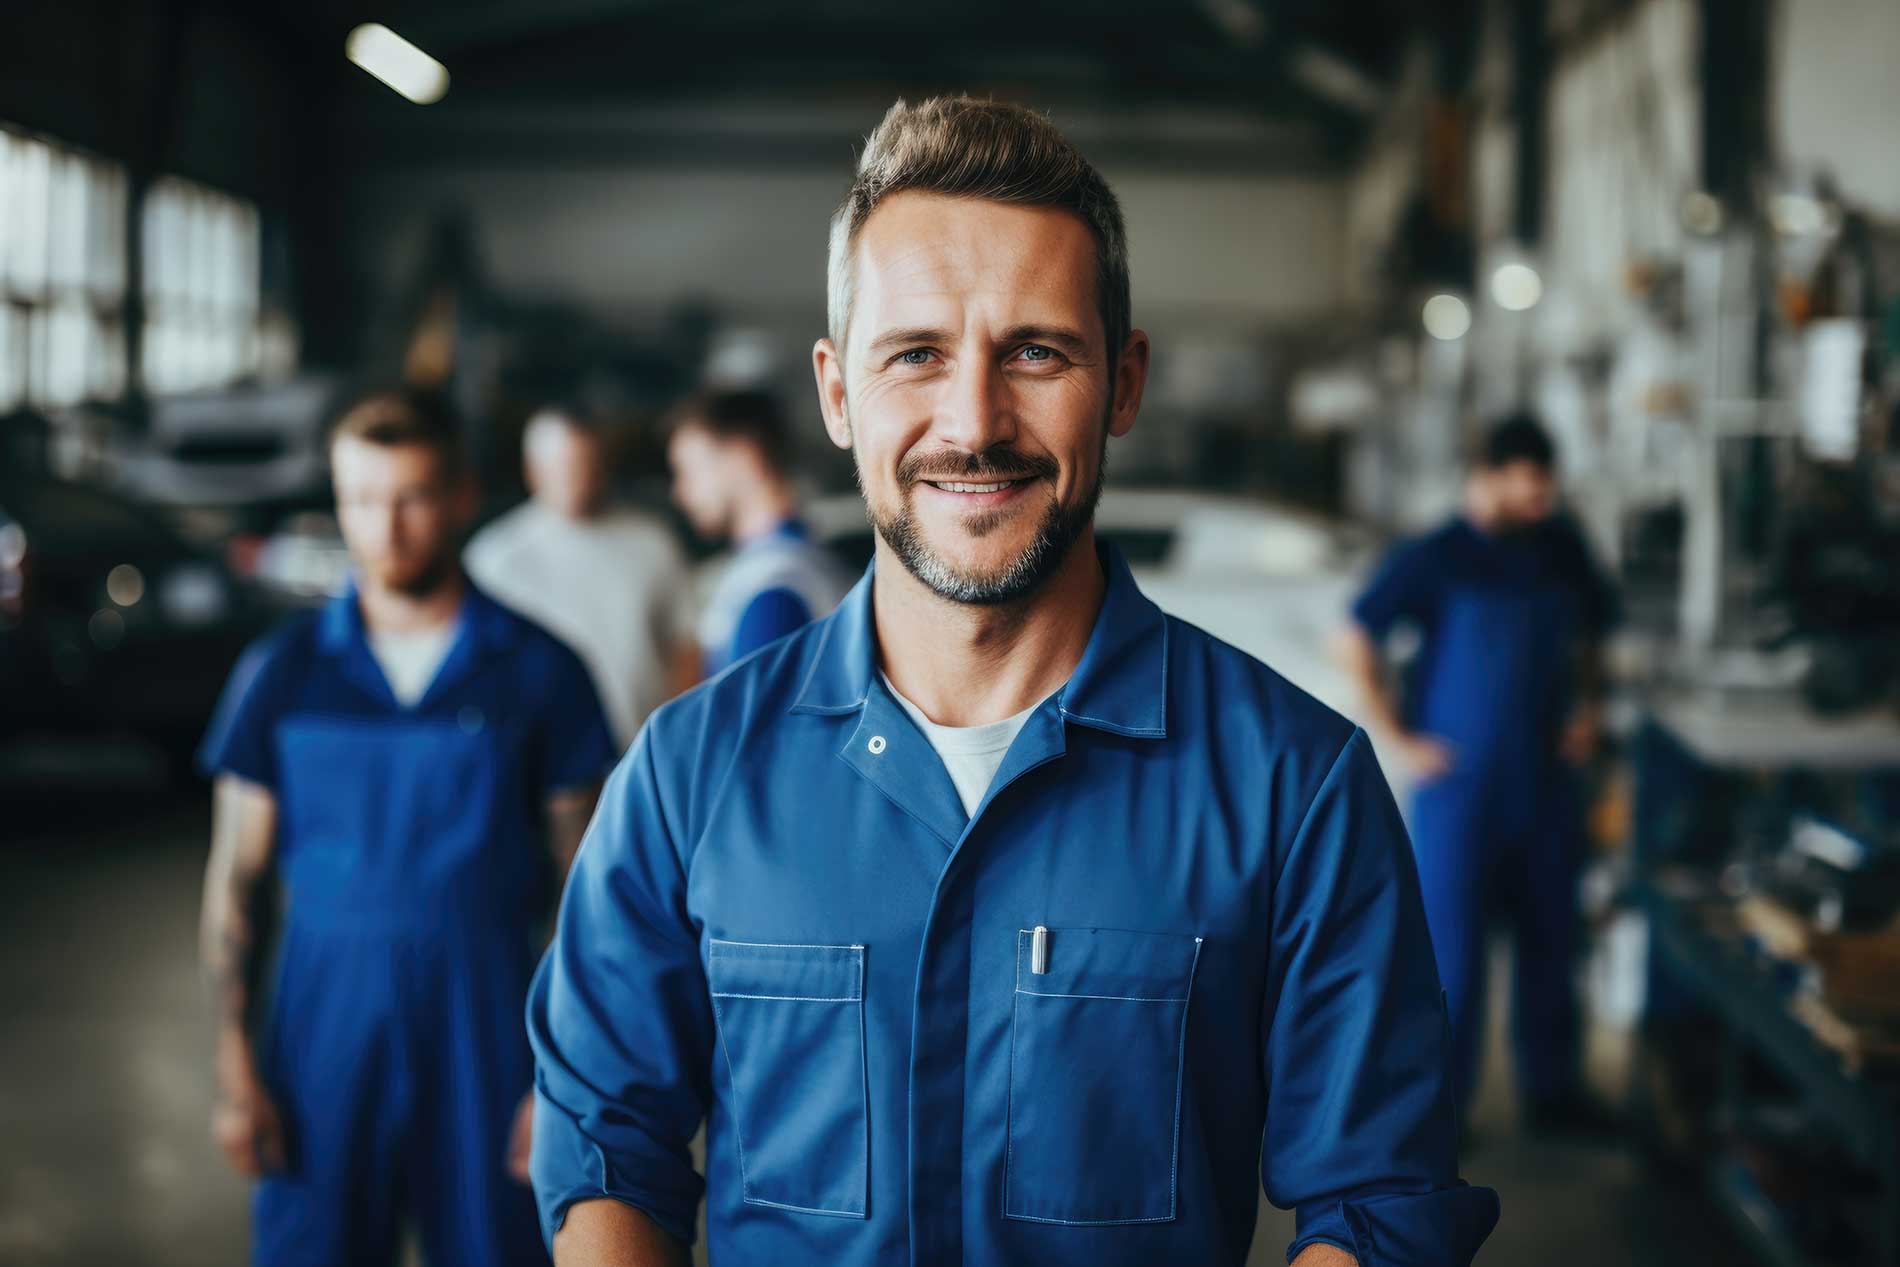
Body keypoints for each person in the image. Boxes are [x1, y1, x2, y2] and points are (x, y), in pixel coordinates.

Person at [528, 97, 1498, 1267]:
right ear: (838, 394)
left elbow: (1380, 1204)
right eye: (917, 355)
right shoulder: (688, 777)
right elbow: (602, 1146)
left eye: (1036, 352)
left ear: (1124, 384)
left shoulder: (1296, 788)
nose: (975, 423)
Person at [197, 389, 616, 1267]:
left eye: (413, 498)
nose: (384, 528)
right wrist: (236, 1056)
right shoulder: (282, 675)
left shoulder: (540, 672)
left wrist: (565, 1082)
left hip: (490, 1040)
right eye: (360, 500)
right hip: (320, 1042)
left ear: (463, 496)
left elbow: (589, 898)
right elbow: (238, 879)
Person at [1338, 413, 1620, 1132]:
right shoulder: (1435, 555)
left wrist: (1589, 707)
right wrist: (1400, 739)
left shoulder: (1561, 548)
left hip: (1549, 784)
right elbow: (1352, 637)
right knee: (1451, 961)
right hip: (1459, 791)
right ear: (1490, 478)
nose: (1541, 500)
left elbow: (1594, 635)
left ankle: (1554, 1097)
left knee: (1554, 946)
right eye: (1529, 484)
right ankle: (1442, 1112)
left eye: (1547, 485)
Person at [466, 403, 697, 751]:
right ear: (532, 470)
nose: (580, 479)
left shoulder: (652, 543)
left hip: (642, 753)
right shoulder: (494, 558)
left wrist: (679, 739)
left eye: (588, 465)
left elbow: (685, 650)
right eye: (566, 467)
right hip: (536, 761)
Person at [664, 388, 851, 676]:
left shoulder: (775, 583)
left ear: (744, 455)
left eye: (689, 470)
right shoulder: (795, 564)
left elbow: (748, 719)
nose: (680, 492)